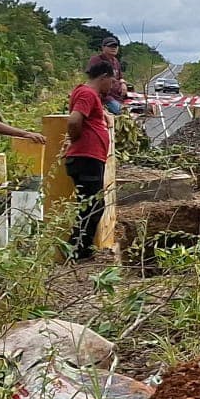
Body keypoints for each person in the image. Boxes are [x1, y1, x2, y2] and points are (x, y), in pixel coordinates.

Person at [65, 62, 114, 260]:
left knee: (91, 205)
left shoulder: (86, 94)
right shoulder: (87, 94)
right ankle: (76, 250)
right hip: (87, 157)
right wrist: (77, 140)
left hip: (89, 157)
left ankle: (79, 249)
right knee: (92, 206)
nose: (111, 86)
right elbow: (74, 121)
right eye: (111, 81)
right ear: (103, 77)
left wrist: (103, 114)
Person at [86, 37, 128, 115]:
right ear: (103, 47)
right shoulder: (96, 60)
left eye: (115, 46)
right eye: (110, 46)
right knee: (123, 113)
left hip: (118, 96)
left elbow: (120, 77)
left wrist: (123, 83)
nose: (113, 48)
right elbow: (91, 78)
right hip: (106, 97)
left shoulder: (115, 61)